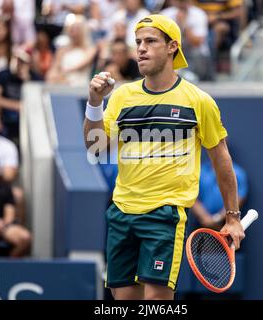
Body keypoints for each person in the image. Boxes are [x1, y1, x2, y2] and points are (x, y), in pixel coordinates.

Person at [83, 14, 244, 300]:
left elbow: (221, 161)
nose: (141, 48)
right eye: (138, 42)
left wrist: (232, 217)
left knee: (156, 301)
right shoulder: (122, 97)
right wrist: (95, 104)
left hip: (164, 215)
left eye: (150, 41)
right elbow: (95, 147)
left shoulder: (199, 101)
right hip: (121, 213)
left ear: (172, 47)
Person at [192, 152, 248, 230]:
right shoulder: (200, 171)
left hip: (228, 226)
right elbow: (193, 197)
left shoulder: (238, 172)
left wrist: (218, 218)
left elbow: (240, 197)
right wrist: (206, 218)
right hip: (201, 226)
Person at [161, 0, 214, 80]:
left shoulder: (199, 14)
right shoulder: (165, 14)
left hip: (195, 55)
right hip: (173, 52)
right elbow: (161, 41)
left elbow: (197, 42)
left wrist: (183, 24)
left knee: (197, 54)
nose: (182, 2)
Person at [46, 14, 96, 86]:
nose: (74, 33)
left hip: (81, 84)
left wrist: (64, 72)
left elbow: (81, 66)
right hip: (62, 82)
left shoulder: (90, 49)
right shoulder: (62, 50)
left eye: (77, 29)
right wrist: (52, 75)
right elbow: (55, 67)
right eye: (72, 29)